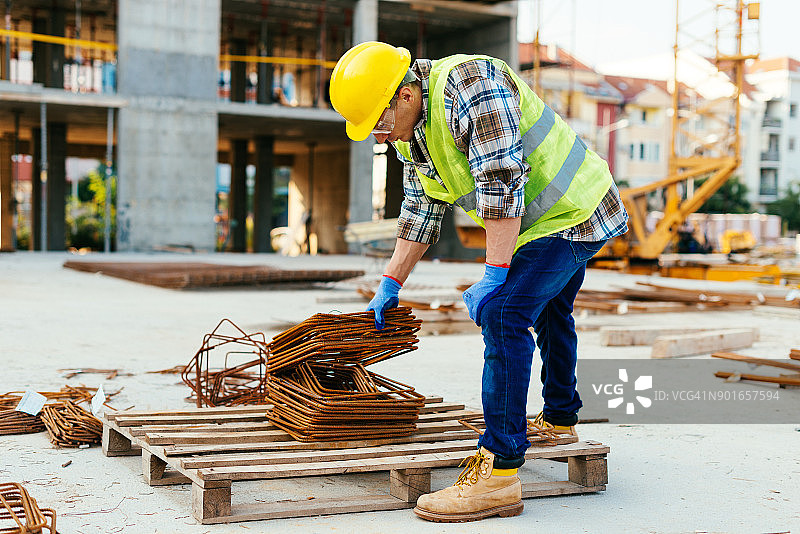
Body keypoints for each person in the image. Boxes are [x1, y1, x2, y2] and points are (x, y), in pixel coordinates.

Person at [329, 42, 628, 523]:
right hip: (537, 224)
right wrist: (390, 281)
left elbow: (501, 180)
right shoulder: (412, 133)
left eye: (378, 121)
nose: (378, 135)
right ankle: (560, 420)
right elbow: (420, 209)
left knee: (504, 311)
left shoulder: (470, 86)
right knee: (549, 310)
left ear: (405, 94)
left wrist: (494, 276)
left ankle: (500, 474)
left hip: (577, 212)